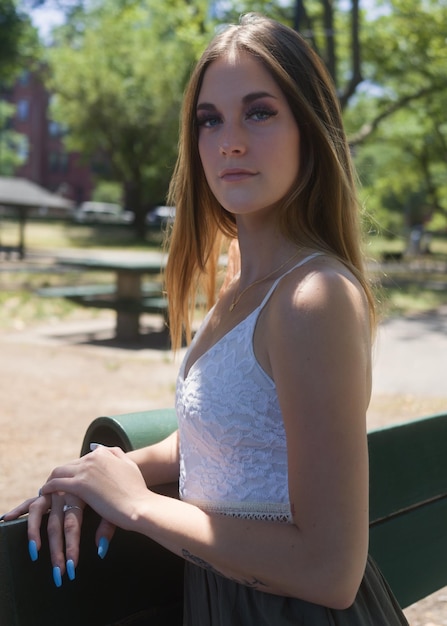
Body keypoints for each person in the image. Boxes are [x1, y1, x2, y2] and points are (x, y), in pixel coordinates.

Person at [2, 14, 409, 625]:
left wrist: (138, 508)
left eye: (260, 112)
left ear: (310, 128)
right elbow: (224, 439)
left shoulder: (313, 296)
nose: (230, 141)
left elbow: (331, 571)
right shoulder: (241, 275)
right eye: (209, 119)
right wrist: (99, 473)